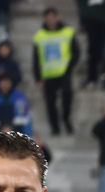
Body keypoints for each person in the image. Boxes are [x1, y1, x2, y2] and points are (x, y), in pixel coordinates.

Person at [33, 7, 79, 136]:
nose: (51, 20)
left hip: (64, 72)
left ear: (58, 17)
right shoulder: (39, 36)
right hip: (48, 75)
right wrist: (38, 77)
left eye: (53, 16)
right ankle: (55, 127)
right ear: (45, 19)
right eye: (48, 17)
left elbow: (76, 52)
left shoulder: (68, 32)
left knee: (67, 97)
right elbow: (36, 59)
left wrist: (69, 67)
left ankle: (66, 119)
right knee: (50, 103)